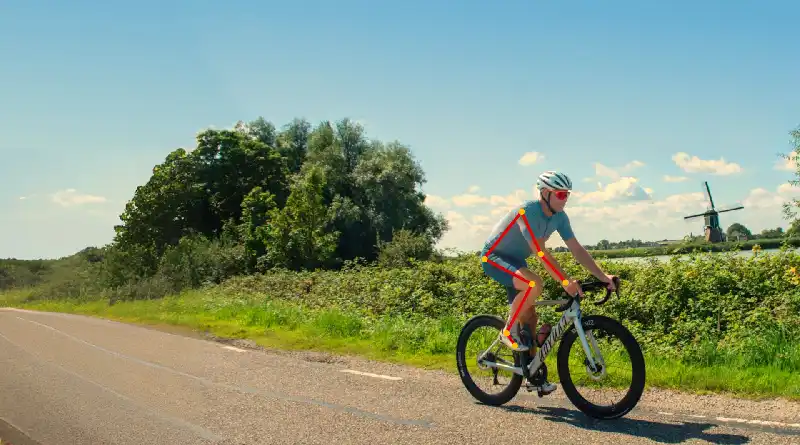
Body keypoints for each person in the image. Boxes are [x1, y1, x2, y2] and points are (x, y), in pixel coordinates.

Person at [479, 170, 617, 395]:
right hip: (494, 257)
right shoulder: (528, 212)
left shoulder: (560, 217)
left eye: (567, 194)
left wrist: (603, 277)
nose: (565, 199)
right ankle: (507, 331)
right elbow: (540, 253)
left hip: (517, 262)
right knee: (534, 283)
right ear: (545, 193)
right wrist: (565, 281)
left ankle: (532, 374)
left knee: (531, 319)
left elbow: (576, 249)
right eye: (561, 194)